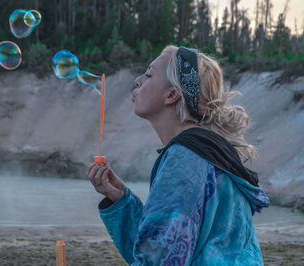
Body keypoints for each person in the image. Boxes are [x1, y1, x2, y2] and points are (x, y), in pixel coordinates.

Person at [87, 45, 270, 265]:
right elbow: (161, 245)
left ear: (172, 95)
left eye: (149, 74)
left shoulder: (185, 159)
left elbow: (160, 259)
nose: (138, 80)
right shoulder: (208, 152)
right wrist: (122, 201)